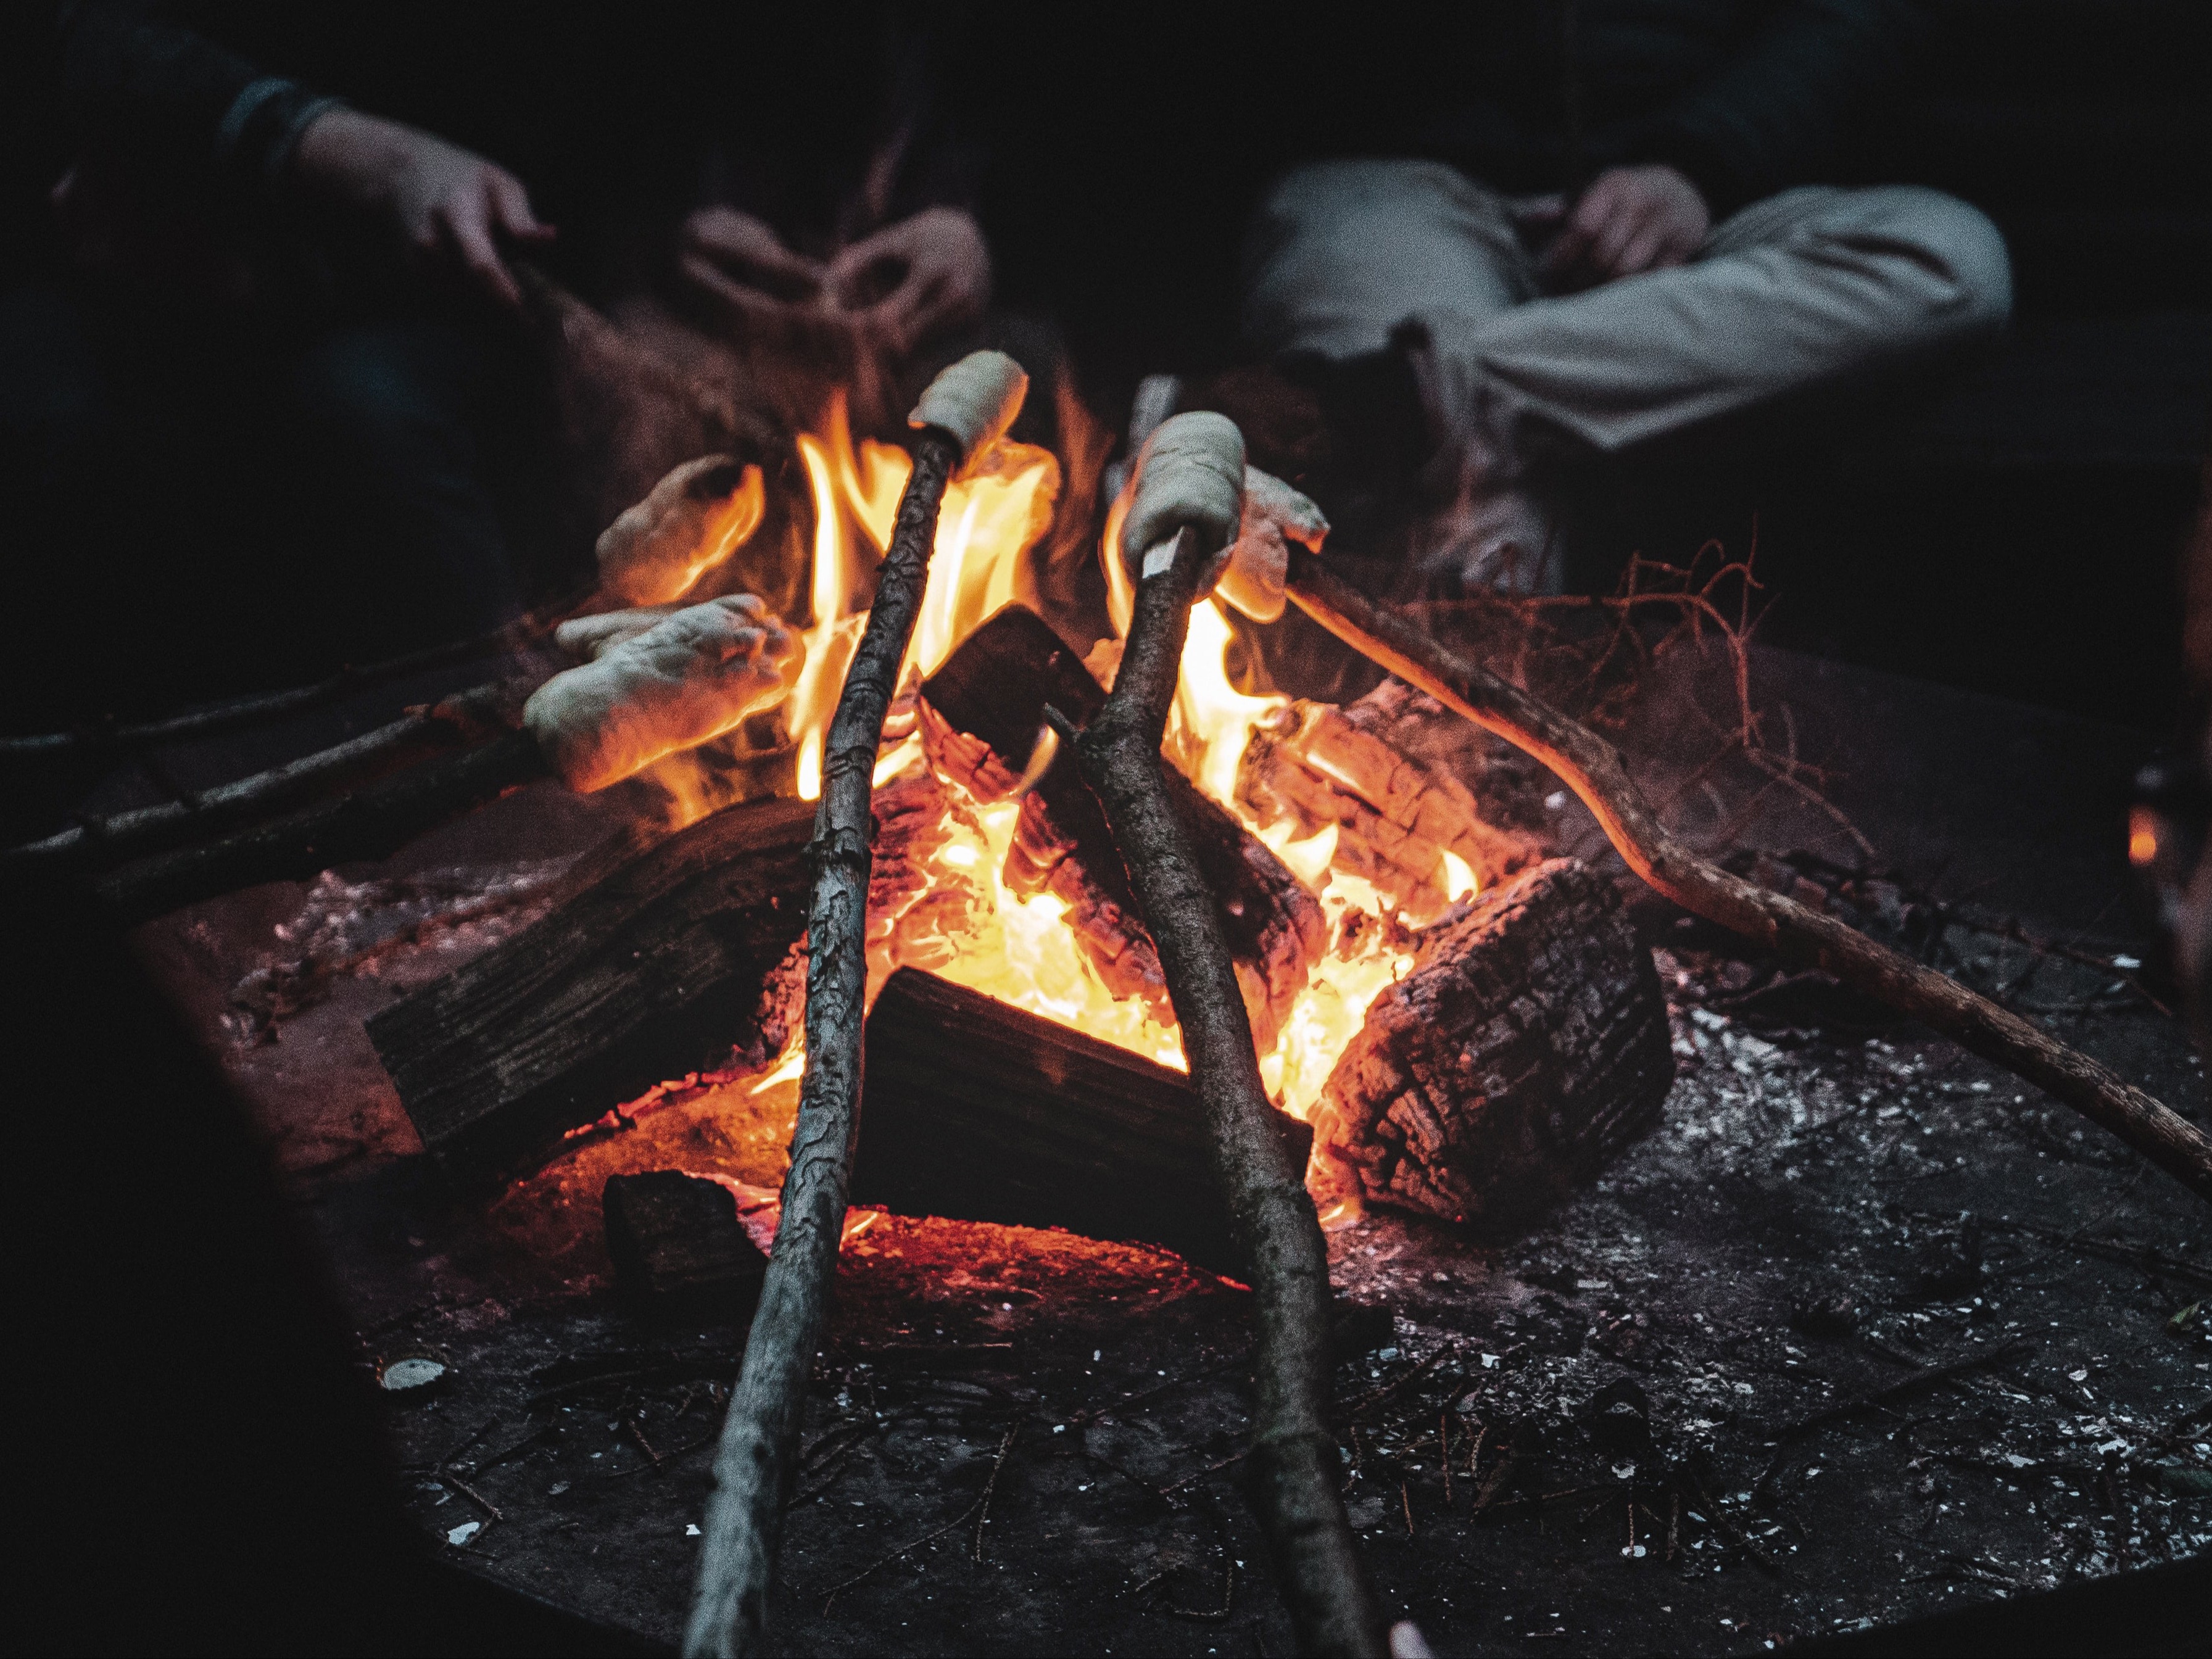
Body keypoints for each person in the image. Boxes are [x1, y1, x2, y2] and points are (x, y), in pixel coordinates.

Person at [6, 3, 992, 723]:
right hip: (303, 291)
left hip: (557, 282)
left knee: (1009, 367)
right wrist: (348, 160)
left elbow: (654, 115)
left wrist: (679, 236)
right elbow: (89, 54)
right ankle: (506, 776)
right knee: (367, 403)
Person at [1232, 0, 2013, 595]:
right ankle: (1457, 776)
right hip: (1410, 189)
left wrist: (1701, 163)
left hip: (1713, 200)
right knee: (1465, 508)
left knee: (1948, 262)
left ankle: (1403, 394)